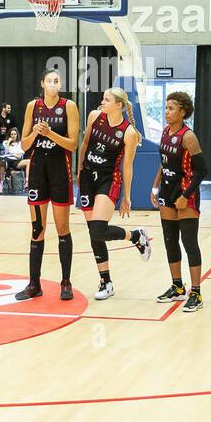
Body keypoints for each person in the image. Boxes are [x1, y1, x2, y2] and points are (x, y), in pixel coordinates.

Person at [78, 87, 151, 301]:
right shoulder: (94, 116)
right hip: (87, 179)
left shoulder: (129, 132)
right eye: (102, 99)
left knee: (99, 228)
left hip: (108, 180)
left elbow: (127, 166)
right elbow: (85, 144)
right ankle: (105, 281)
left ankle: (135, 236)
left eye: (107, 100)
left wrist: (127, 197)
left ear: (119, 105)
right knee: (94, 233)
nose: (102, 102)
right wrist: (80, 169)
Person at [16, 68, 79, 302]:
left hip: (59, 170)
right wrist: (34, 133)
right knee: (37, 229)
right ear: (42, 83)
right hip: (38, 170)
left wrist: (50, 133)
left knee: (62, 227)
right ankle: (34, 284)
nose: (53, 84)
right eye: (49, 80)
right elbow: (24, 145)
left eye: (57, 81)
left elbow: (72, 144)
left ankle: (66, 282)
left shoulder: (68, 106)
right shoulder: (33, 107)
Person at [151, 91, 206, 312]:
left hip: (185, 192)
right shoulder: (165, 132)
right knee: (170, 241)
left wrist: (186, 196)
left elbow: (202, 170)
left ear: (183, 112)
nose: (166, 112)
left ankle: (196, 293)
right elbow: (163, 163)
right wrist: (155, 186)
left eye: (171, 108)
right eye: (166, 108)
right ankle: (177, 287)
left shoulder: (188, 136)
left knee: (189, 243)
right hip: (167, 189)